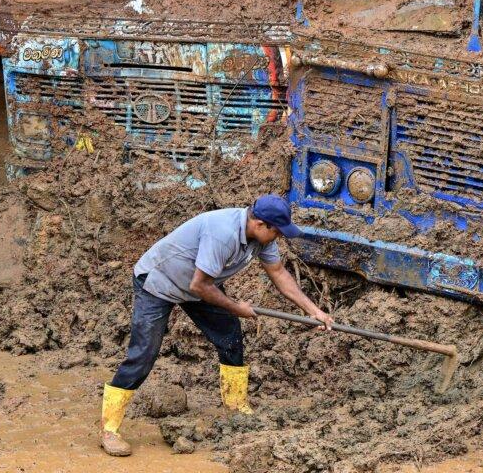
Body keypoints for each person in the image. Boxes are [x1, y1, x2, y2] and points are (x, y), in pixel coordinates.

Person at [100, 194, 333, 457]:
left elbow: (279, 273)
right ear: (260, 224)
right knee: (144, 353)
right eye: (277, 232)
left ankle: (236, 406)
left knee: (230, 337)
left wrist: (314, 311)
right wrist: (237, 308)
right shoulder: (223, 233)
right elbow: (200, 285)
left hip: (198, 285)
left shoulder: (262, 239)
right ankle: (109, 429)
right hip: (159, 281)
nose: (279, 237)